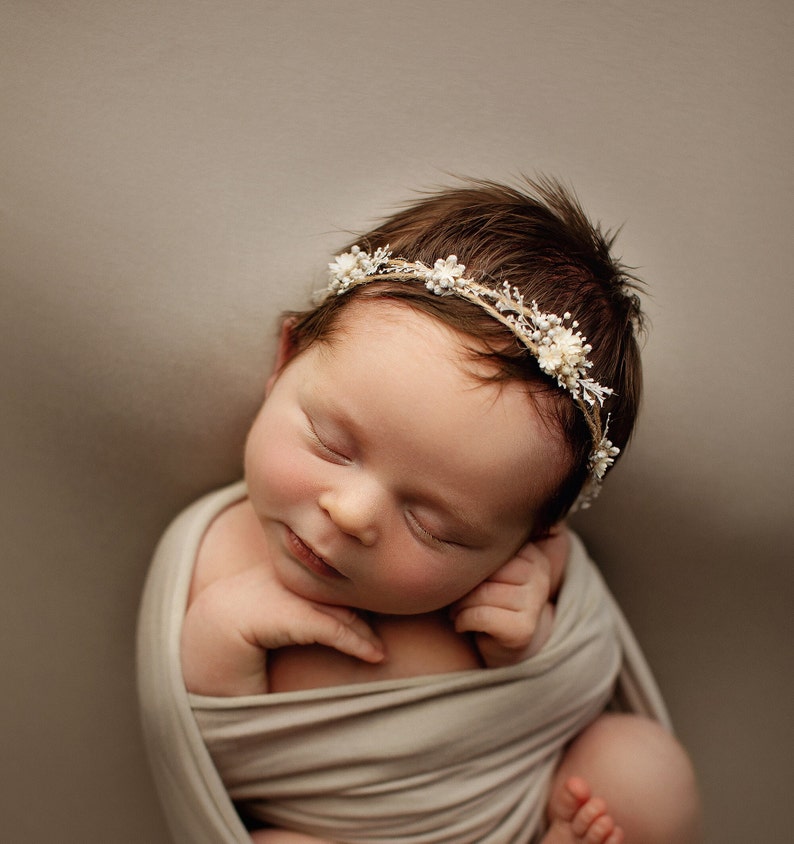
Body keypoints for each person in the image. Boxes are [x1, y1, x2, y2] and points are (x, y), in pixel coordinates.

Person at [173, 178, 700, 843]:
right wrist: (221, 636)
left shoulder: (529, 566)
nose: (350, 514)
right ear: (286, 359)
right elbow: (209, 749)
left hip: (521, 809)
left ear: (529, 534)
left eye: (433, 525)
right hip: (339, 831)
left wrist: (527, 646)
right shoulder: (219, 554)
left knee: (644, 768)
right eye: (332, 445)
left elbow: (578, 680)